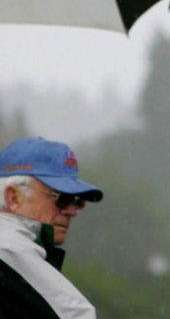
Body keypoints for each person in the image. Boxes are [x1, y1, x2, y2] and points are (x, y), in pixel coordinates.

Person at [0, 136, 104, 318]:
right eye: (62, 198)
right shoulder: (7, 248)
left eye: (76, 201)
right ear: (13, 197)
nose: (72, 211)